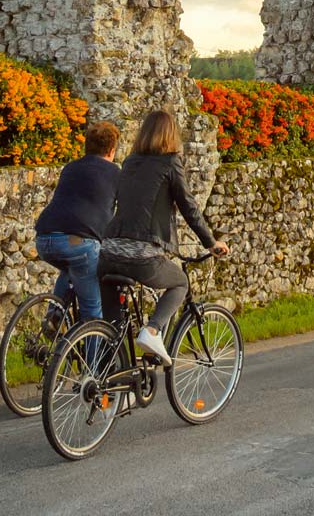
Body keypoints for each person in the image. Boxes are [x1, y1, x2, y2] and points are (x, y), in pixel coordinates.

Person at [99, 108, 228, 365]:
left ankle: (109, 389)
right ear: (171, 135)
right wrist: (211, 243)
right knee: (180, 282)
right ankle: (153, 330)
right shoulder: (170, 163)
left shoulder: (129, 162)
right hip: (142, 255)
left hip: (108, 252)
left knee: (112, 329)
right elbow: (189, 207)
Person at [34, 119, 122, 322]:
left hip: (45, 238)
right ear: (111, 150)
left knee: (72, 268)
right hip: (80, 242)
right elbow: (123, 211)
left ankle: (55, 313)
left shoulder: (70, 168)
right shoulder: (115, 173)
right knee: (93, 311)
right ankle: (94, 353)